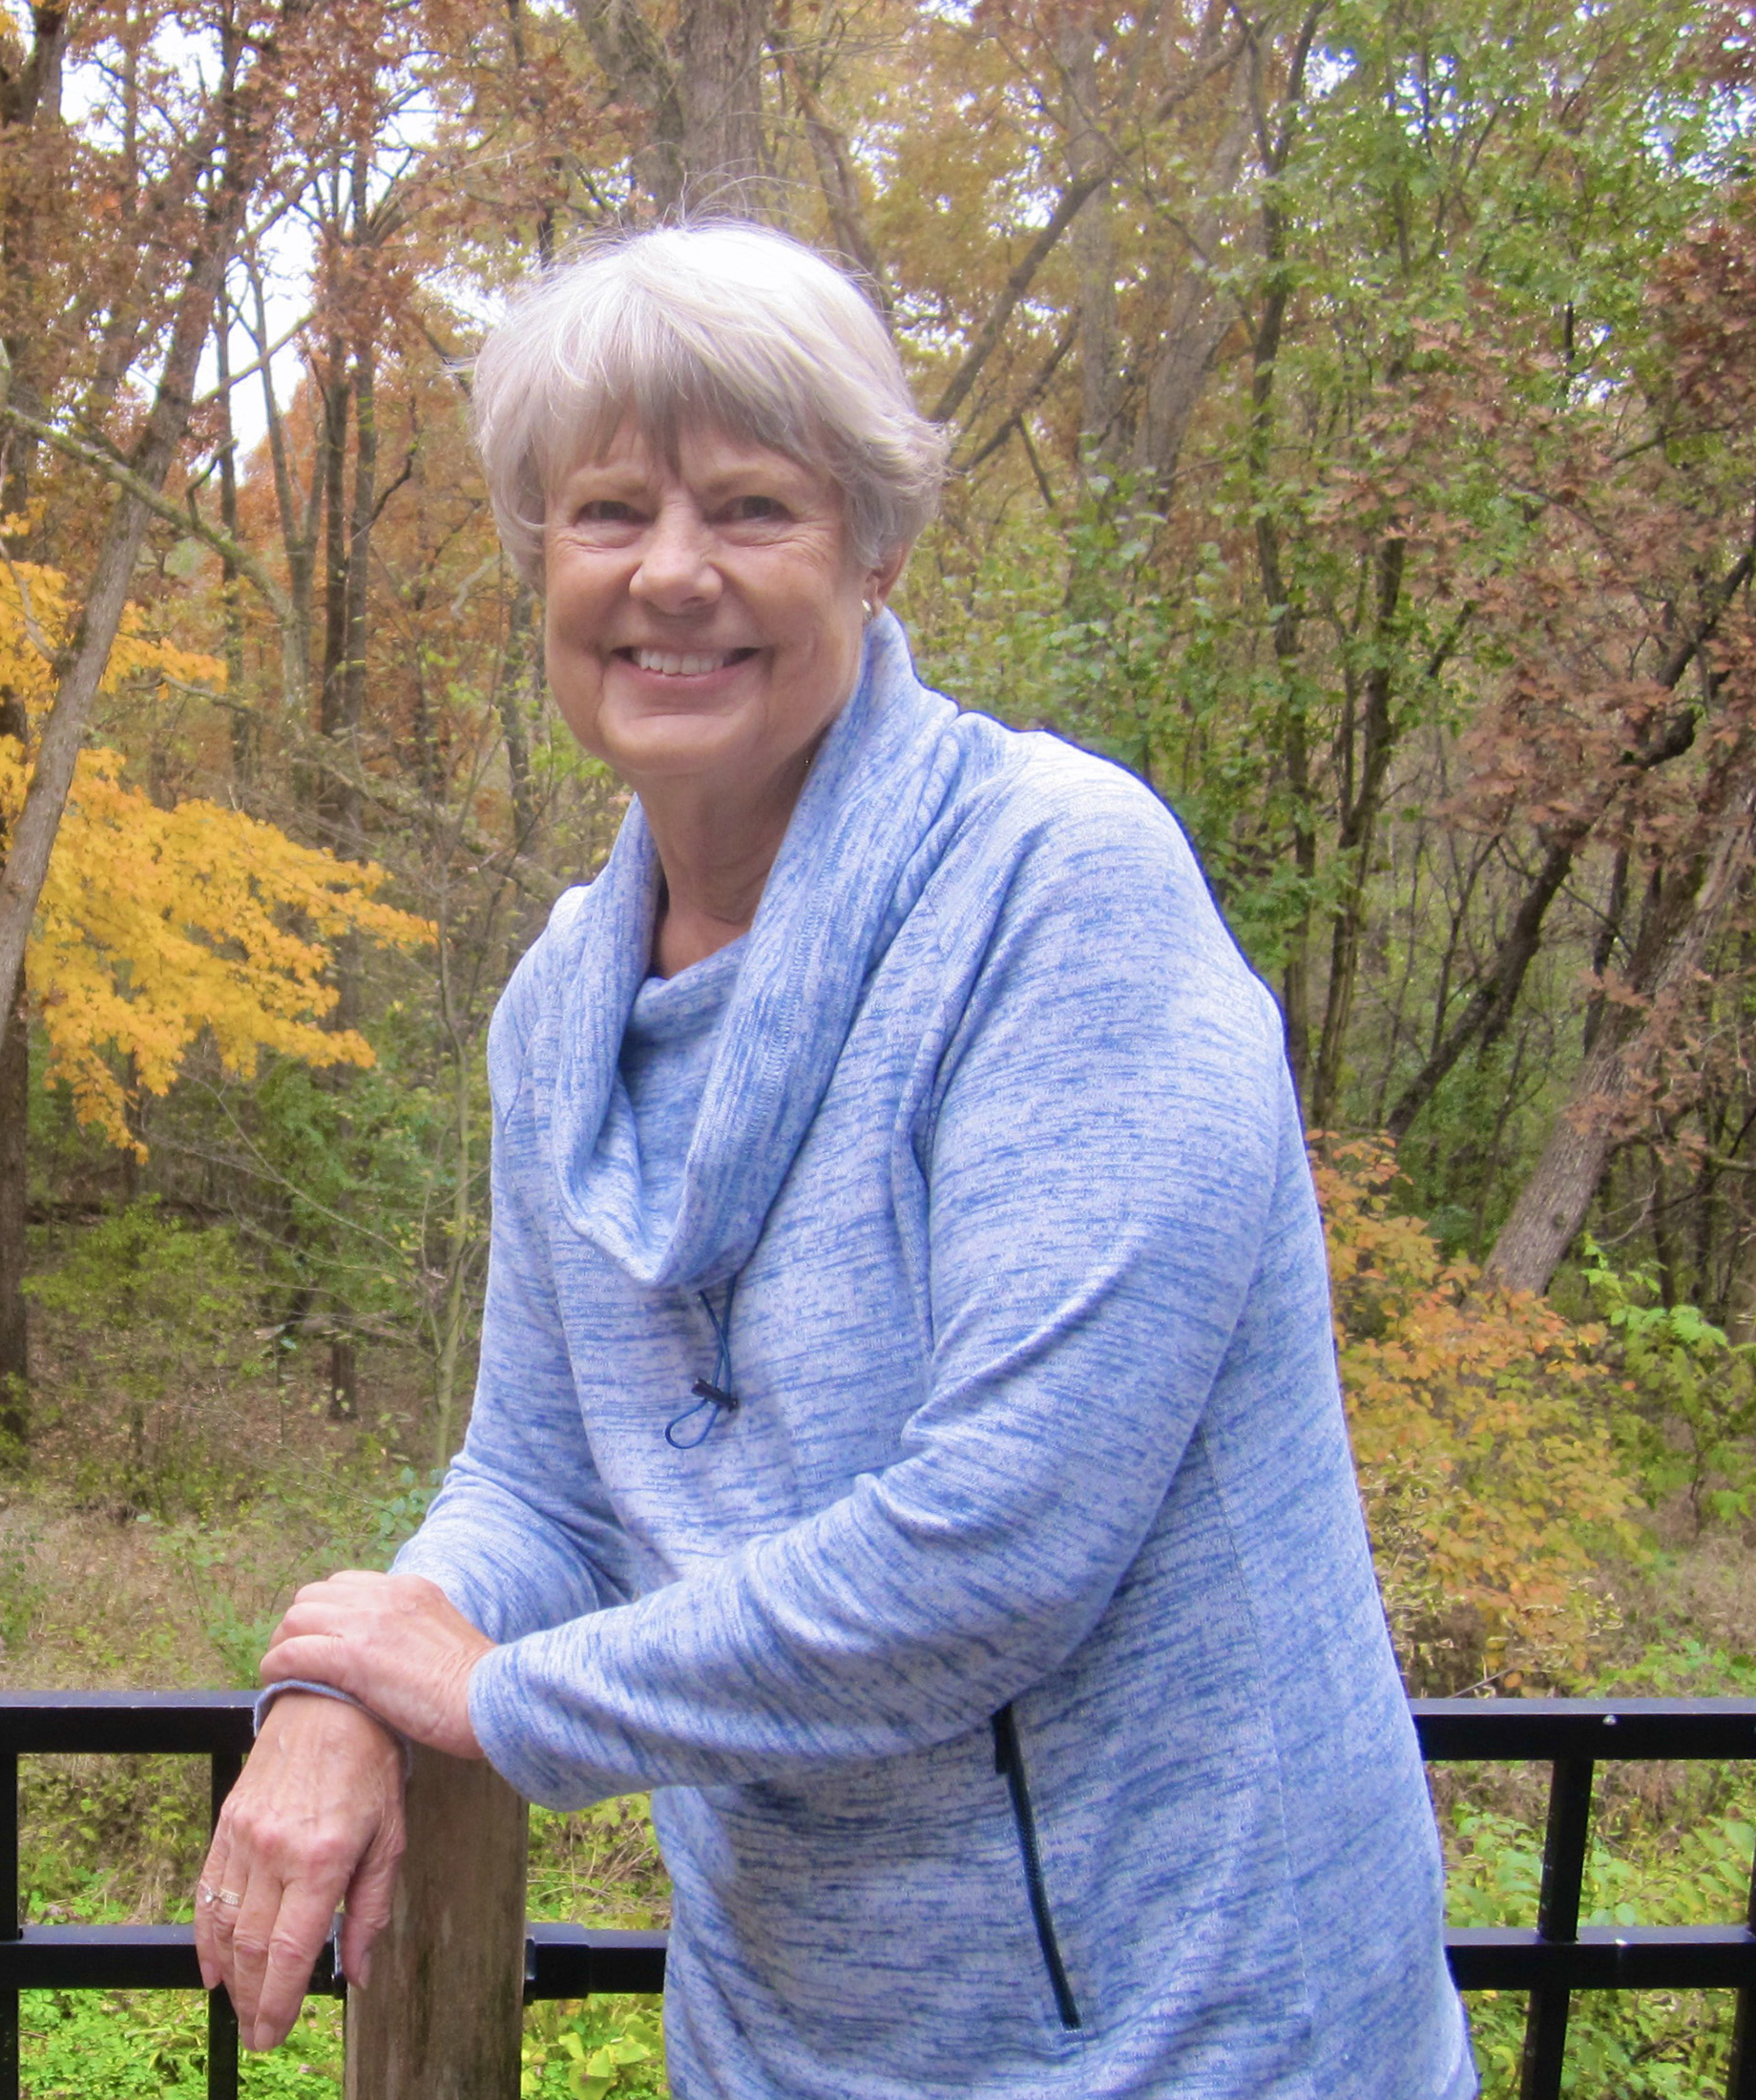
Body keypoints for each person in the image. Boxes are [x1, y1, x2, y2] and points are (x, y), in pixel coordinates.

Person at [192, 222, 1473, 2098]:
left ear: (877, 550)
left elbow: (1000, 1544)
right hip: (792, 2046)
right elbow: (536, 1483)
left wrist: (494, 1700)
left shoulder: (1057, 895)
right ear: (538, 563)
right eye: (608, 508)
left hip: (1210, 2036)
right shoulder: (560, 1008)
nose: (673, 571)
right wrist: (333, 1681)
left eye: (754, 506)